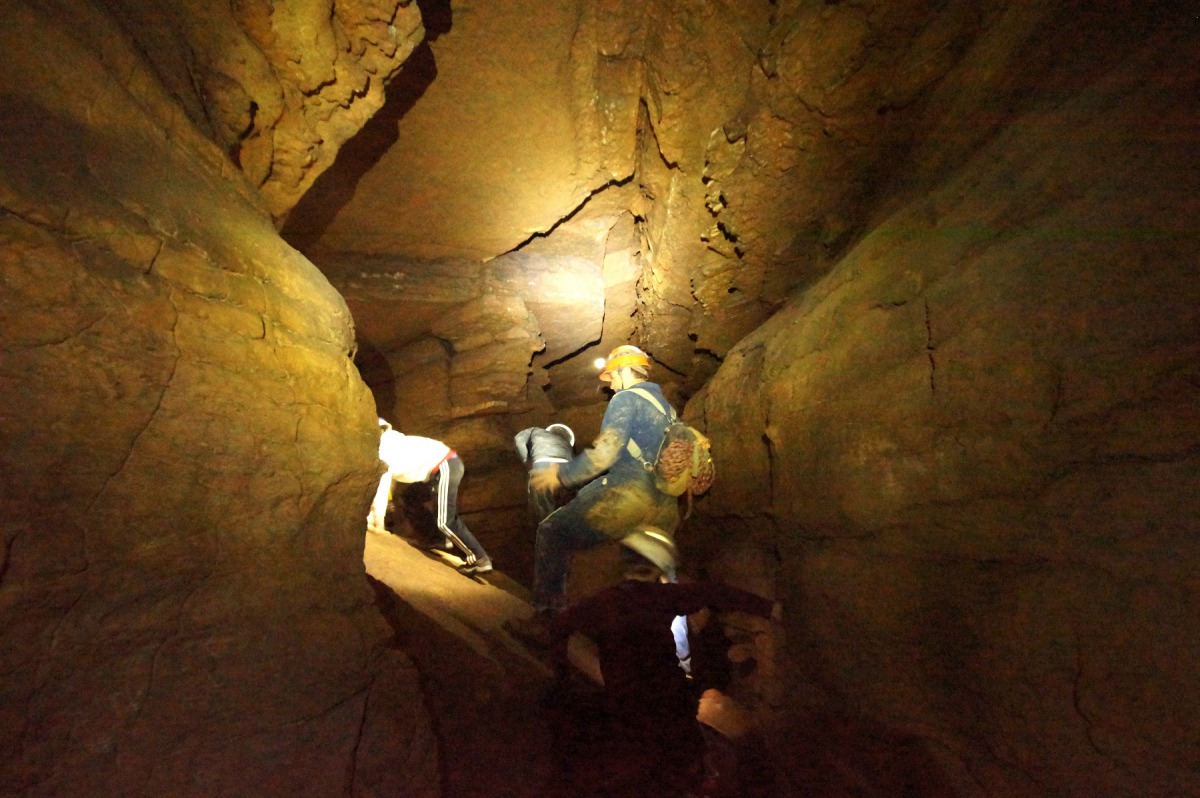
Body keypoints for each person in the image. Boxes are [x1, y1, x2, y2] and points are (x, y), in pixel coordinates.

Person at [543, 527, 779, 798]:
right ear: (657, 567)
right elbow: (717, 593)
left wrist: (562, 677)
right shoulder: (662, 597)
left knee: (640, 757)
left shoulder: (603, 602)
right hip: (667, 695)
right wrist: (769, 608)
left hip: (624, 698)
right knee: (685, 753)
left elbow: (560, 626)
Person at [506, 345, 680, 644]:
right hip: (665, 507)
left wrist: (561, 476)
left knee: (553, 530)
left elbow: (605, 454)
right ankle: (661, 651)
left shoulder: (626, 399)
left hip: (629, 496)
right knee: (644, 578)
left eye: (612, 376)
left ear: (626, 371)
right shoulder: (666, 408)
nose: (609, 384)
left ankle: (548, 622)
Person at [368, 418, 493, 574]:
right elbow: (386, 479)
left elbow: (383, 481)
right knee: (409, 496)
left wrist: (377, 519)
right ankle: (439, 539)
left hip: (445, 465)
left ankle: (480, 559)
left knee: (445, 521)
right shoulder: (388, 442)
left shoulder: (384, 448)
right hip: (436, 469)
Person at [513, 422, 576, 525]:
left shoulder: (534, 430)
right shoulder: (568, 445)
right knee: (570, 510)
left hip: (542, 464)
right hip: (567, 467)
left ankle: (542, 535)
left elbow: (518, 439)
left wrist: (526, 460)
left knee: (541, 513)